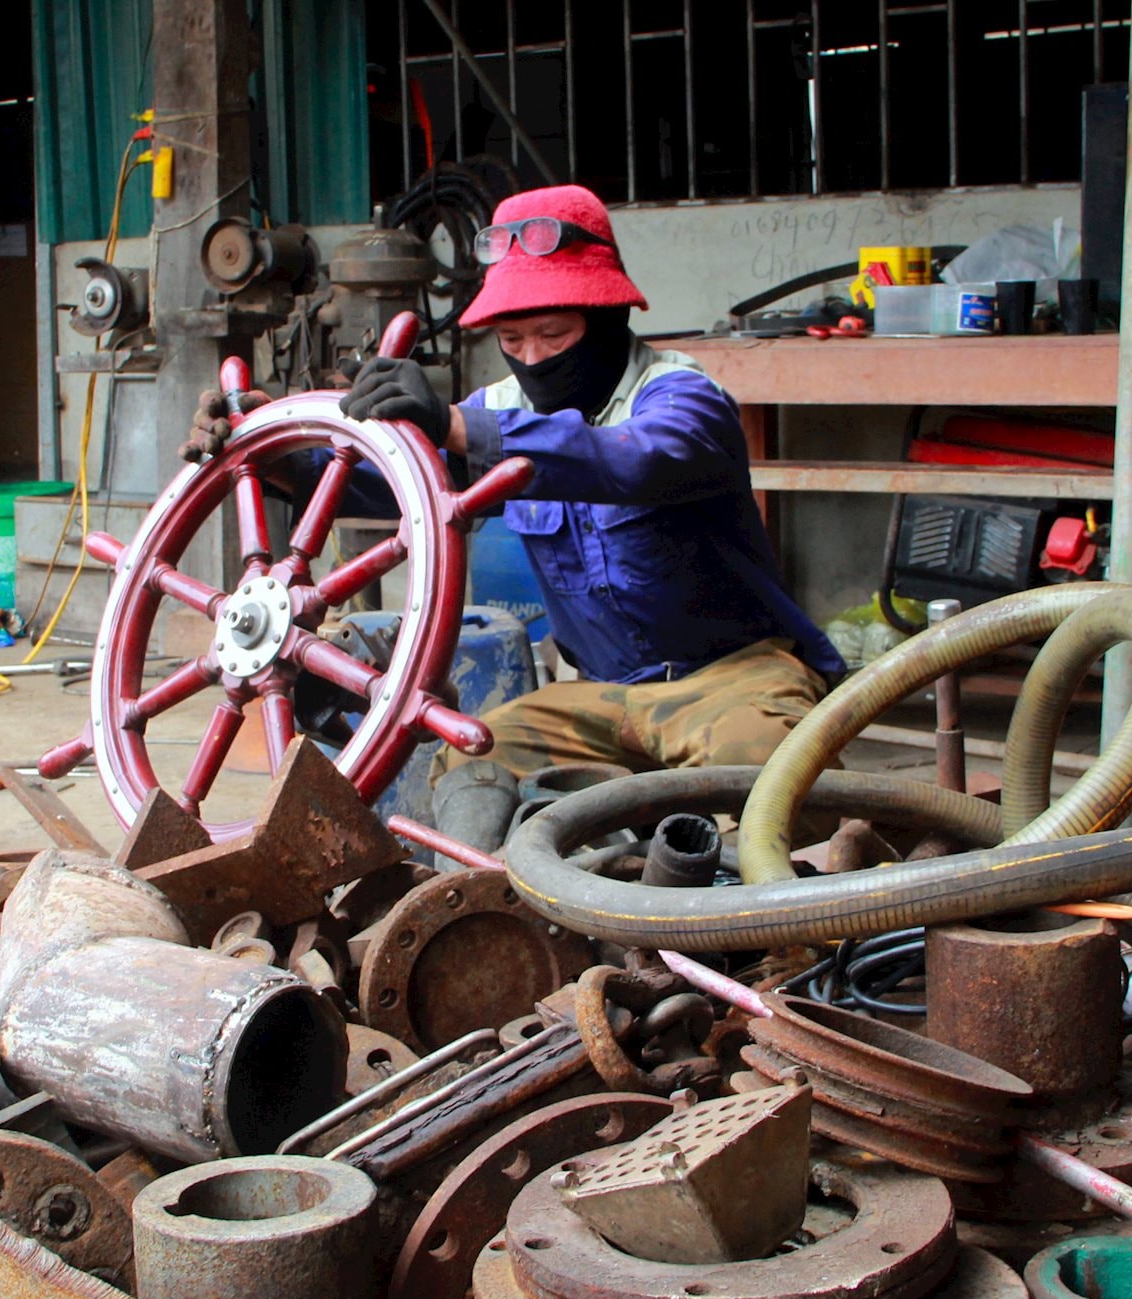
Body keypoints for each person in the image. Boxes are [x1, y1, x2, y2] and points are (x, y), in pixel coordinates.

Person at [183, 184, 841, 852]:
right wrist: (271, 452)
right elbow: (379, 486)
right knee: (474, 757)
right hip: (600, 695)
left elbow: (630, 461)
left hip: (737, 677)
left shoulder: (681, 398)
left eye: (555, 335)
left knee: (772, 773)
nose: (532, 358)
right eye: (512, 338)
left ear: (607, 316)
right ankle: (477, 905)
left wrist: (454, 423)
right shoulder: (496, 406)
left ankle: (736, 935)